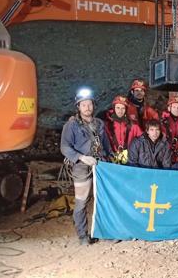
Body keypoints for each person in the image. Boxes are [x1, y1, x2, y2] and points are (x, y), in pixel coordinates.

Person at [60, 88, 111, 245]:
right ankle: (83, 236)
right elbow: (65, 147)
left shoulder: (99, 124)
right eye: (84, 105)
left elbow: (106, 145)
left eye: (89, 104)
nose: (87, 107)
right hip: (82, 166)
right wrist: (81, 157)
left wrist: (109, 160)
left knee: (102, 200)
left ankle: (104, 232)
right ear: (79, 107)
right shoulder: (71, 125)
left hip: (100, 165)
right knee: (82, 201)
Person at [104, 95, 142, 164]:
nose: (120, 111)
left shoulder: (134, 126)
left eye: (123, 108)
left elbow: (142, 141)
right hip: (111, 159)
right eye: (118, 108)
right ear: (113, 108)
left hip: (130, 159)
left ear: (126, 110)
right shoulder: (106, 125)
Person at [161, 96, 178, 162]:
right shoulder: (163, 122)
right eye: (174, 107)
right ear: (169, 108)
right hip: (165, 154)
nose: (176, 109)